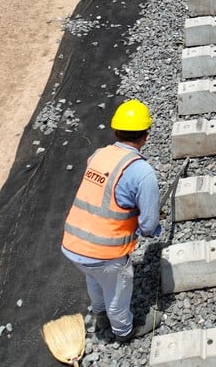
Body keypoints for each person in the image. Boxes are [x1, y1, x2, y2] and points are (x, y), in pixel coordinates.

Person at [61, 99, 162, 342]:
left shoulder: (99, 155)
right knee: (118, 289)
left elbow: (106, 195)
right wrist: (153, 225)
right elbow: (148, 227)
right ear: (146, 136)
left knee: (94, 277)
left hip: (73, 243)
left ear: (116, 131)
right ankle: (124, 331)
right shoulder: (143, 173)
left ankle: (100, 313)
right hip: (105, 251)